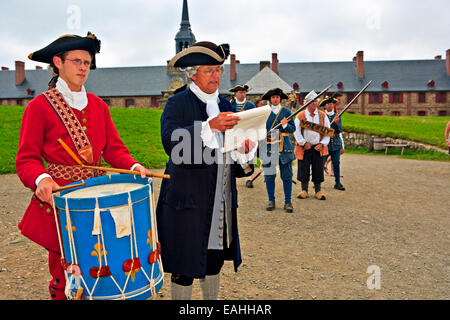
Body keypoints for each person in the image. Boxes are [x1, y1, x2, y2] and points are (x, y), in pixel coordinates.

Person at [15, 32, 151, 300]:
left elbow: (114, 149)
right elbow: (26, 159)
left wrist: (134, 165)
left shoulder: (99, 106)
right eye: (76, 61)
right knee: (67, 275)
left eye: (87, 62)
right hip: (62, 200)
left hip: (98, 197)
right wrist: (41, 179)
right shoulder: (39, 107)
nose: (82, 67)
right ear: (58, 62)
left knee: (104, 267)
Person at [157, 41, 256, 300]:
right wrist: (208, 127)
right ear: (193, 73)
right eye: (210, 70)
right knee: (184, 264)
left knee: (214, 260)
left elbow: (230, 156)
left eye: (219, 70)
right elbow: (172, 145)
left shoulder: (225, 104)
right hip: (187, 201)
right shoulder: (178, 103)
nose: (217, 76)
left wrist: (243, 148)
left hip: (220, 199)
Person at [261, 88, 296, 213]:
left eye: (277, 97)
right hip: (269, 147)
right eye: (273, 97)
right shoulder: (265, 112)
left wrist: (286, 125)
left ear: (280, 99)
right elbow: (260, 129)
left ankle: (288, 202)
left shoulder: (286, 111)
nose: (275, 99)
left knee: (287, 176)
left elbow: (293, 129)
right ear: (270, 99)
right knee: (269, 176)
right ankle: (271, 200)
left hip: (285, 147)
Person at [294, 90, 330, 200]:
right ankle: (304, 190)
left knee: (318, 168)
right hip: (305, 147)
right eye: (312, 101)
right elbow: (296, 132)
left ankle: (318, 191)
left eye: (316, 101)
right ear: (307, 103)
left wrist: (322, 143)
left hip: (318, 147)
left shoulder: (322, 116)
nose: (314, 103)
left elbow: (327, 132)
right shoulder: (300, 115)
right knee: (303, 168)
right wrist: (303, 143)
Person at [321, 97, 345, 190]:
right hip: (325, 143)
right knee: (320, 163)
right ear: (325, 106)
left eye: (331, 104)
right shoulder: (322, 116)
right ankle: (317, 182)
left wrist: (336, 123)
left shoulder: (337, 116)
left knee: (336, 163)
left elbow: (339, 130)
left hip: (335, 143)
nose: (330, 105)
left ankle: (337, 183)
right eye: (328, 104)